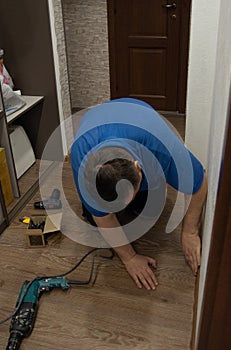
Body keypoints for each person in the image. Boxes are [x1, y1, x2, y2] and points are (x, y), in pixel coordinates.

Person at [71, 98, 207, 290]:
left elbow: (199, 182)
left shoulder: (161, 148)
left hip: (139, 116)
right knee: (96, 219)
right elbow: (103, 217)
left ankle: (137, 198)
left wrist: (190, 231)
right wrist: (130, 258)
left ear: (139, 169)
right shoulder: (81, 156)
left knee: (149, 210)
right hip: (97, 121)